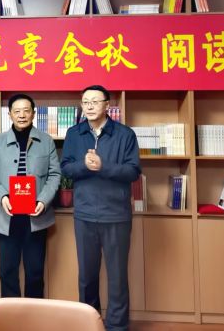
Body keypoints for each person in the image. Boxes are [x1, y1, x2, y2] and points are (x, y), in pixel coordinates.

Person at [61, 85, 141, 331]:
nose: (90, 106)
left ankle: (117, 326)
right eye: (85, 102)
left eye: (95, 101)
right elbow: (66, 168)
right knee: (87, 276)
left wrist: (103, 166)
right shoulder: (74, 134)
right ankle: (89, 323)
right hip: (84, 214)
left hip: (116, 215)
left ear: (107, 105)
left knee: (117, 277)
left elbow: (133, 171)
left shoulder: (125, 134)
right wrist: (84, 166)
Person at [0, 93, 61, 298]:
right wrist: (2, 196)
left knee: (35, 272)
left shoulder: (46, 141)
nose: (22, 115)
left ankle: (34, 313)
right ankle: (11, 314)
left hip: (36, 216)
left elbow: (55, 174)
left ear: (33, 114)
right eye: (17, 111)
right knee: (7, 271)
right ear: (9, 114)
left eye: (26, 111)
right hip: (6, 216)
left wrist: (43, 200)